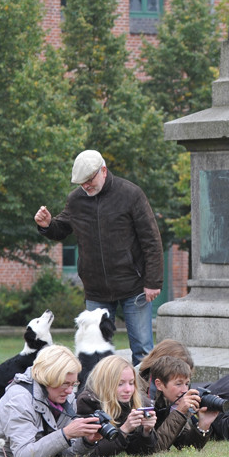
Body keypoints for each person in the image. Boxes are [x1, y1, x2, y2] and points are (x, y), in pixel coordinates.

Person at [34, 149, 164, 365]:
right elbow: (61, 228)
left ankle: (145, 399)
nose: (85, 186)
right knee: (94, 355)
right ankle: (96, 399)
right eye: (81, 182)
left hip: (134, 287)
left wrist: (153, 281)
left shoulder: (131, 194)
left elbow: (151, 239)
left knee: (142, 352)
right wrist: (47, 225)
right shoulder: (76, 200)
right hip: (96, 291)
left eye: (89, 179)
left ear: (103, 170)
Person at [76, 354, 158, 457]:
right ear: (105, 384)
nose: (128, 389)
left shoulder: (138, 402)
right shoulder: (88, 402)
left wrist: (147, 431)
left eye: (131, 383)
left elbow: (140, 452)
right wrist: (125, 429)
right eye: (120, 384)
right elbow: (93, 453)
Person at [149, 355, 217, 451]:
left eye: (187, 384)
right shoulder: (146, 402)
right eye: (178, 384)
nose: (185, 390)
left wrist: (203, 425)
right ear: (159, 385)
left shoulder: (172, 401)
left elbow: (185, 445)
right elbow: (154, 448)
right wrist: (179, 412)